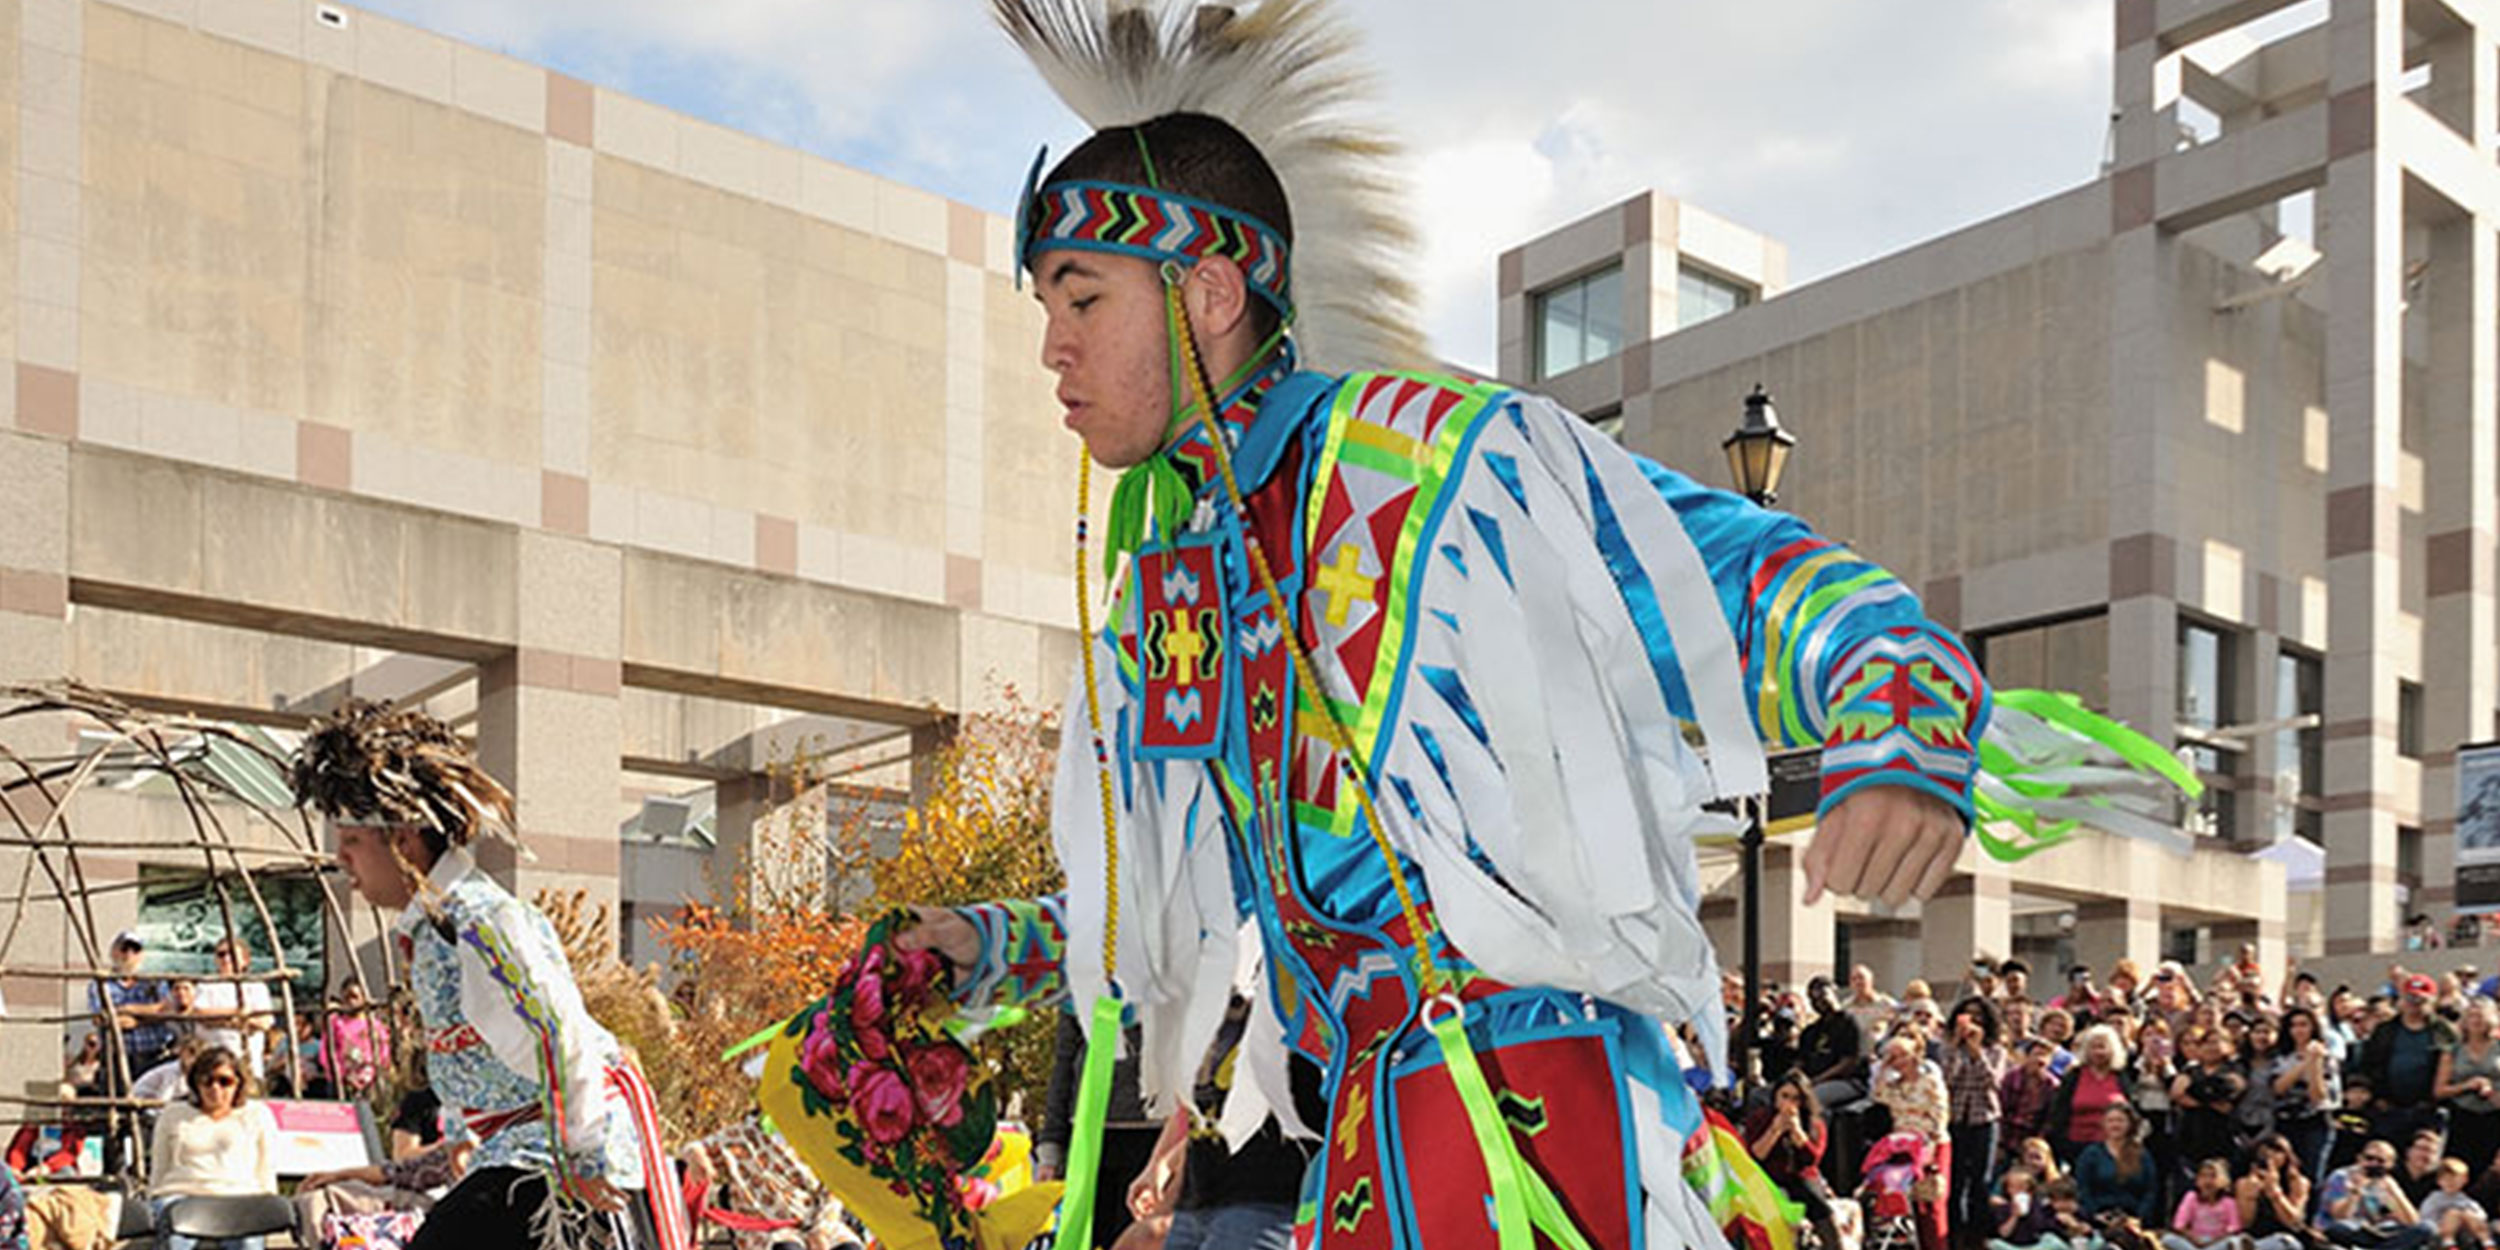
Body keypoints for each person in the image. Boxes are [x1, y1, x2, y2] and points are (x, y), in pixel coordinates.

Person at [895, 5, 2029, 1244]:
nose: (1053, 348)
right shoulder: (1181, 578)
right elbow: (1187, 909)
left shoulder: (1423, 466)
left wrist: (1896, 724)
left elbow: (1741, 569)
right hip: (1371, 1143)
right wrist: (984, 946)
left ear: (1208, 290)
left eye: (1084, 298)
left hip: (1539, 1129)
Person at [292, 702, 686, 1250]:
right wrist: (459, 1134)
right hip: (519, 1149)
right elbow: (474, 1051)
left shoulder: (481, 921)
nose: (340, 859)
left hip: (555, 1154)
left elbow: (557, 1032)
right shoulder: (436, 927)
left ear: (402, 839)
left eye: (352, 841)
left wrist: (586, 1153)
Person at [147, 1046, 276, 1250]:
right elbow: (159, 1167)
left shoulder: (257, 1115)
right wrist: (155, 1197)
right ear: (196, 1084)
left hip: (239, 1197)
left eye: (224, 1081)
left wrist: (268, 1205)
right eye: (207, 1081)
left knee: (249, 1241)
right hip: (181, 1195)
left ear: (238, 1084)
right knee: (173, 1238)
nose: (215, 1088)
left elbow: (266, 1167)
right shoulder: (173, 1114)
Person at [90, 930, 173, 1171]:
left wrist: (128, 1011)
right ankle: (114, 1172)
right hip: (117, 1056)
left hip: (151, 1056)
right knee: (114, 1115)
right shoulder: (101, 982)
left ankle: (146, 1165)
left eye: (134, 950)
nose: (128, 955)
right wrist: (146, 1014)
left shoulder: (154, 982)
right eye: (124, 949)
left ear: (141, 955)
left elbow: (165, 1010)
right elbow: (103, 1016)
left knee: (148, 1113)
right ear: (114, 952)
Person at [1745, 1072, 1843, 1250]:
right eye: (1785, 1096)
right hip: (1768, 1175)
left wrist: (1798, 1133)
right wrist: (1775, 1130)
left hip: (1800, 1175)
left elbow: (1813, 1159)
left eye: (1796, 1098)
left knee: (1814, 1199)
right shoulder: (1760, 1118)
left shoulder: (1814, 1123)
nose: (1789, 1103)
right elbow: (1756, 1155)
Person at [2359, 976, 2458, 1146]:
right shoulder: (2385, 1030)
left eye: (2421, 999)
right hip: (2389, 1107)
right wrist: (2377, 1096)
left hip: (2428, 1109)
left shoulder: (2444, 1031)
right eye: (2410, 998)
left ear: (2432, 1001)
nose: (2415, 1003)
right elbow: (2370, 1064)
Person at [1948, 997, 2012, 1245]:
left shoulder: (1997, 1051)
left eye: (1977, 1017)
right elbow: (1947, 1081)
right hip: (1955, 1119)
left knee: (1979, 1181)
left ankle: (1977, 1234)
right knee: (1955, 1181)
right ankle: (1954, 1234)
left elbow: (1993, 1083)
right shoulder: (1948, 1049)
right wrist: (1956, 1046)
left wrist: (1977, 1052)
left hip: (1983, 1119)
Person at [2273, 1006, 2345, 1191]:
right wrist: (2306, 1062)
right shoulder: (2280, 1057)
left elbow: (2318, 1095)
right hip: (2285, 1120)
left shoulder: (2327, 1058)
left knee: (2313, 1175)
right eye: (2293, 1025)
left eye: (2304, 1025)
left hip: (2316, 1122)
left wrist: (2315, 1064)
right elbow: (2278, 1088)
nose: (2298, 1030)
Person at [2048, 1026, 2136, 1166]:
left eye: (2102, 1047)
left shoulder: (2121, 1077)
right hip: (2076, 1144)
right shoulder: (2074, 1076)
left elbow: (2131, 1109)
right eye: (2093, 1047)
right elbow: (2060, 1110)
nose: (2098, 1052)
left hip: (2113, 1146)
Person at [2318, 1139, 2429, 1249]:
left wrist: (2396, 1193)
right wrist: (2355, 1193)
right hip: (2349, 1229)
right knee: (2340, 1228)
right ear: (2359, 1158)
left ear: (2390, 1164)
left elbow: (2411, 1221)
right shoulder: (2341, 1177)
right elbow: (2339, 1216)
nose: (2373, 1164)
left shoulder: (2386, 1184)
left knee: (2426, 1228)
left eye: (2380, 1161)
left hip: (2376, 1233)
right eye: (2369, 1158)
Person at [190, 940, 274, 1084]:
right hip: (212, 1064)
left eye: (232, 954)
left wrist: (220, 1020)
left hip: (247, 1063)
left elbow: (265, 1022)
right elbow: (200, 1014)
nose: (226, 959)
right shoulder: (206, 985)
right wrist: (237, 1014)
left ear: (245, 960)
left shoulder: (257, 986)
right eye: (221, 954)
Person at [2439, 1000, 2500, 1177]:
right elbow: (2439, 1090)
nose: (2476, 1021)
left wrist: (2491, 1092)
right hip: (2462, 1116)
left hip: (2494, 1116)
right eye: (2472, 1016)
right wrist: (2467, 1085)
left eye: (2481, 1016)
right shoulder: (2453, 1050)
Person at [2076, 1104, 2163, 1226]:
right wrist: (2095, 1214)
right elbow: (2083, 1188)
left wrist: (2139, 1217)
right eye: (2110, 1121)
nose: (2115, 1125)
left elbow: (2151, 1190)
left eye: (2120, 1121)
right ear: (2104, 1124)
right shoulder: (2091, 1154)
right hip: (2099, 1217)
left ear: (2129, 1124)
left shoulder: (2141, 1154)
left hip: (2133, 1218)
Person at [2235, 1134, 2312, 1250]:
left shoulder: (2298, 1182)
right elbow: (2246, 1223)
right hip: (2255, 1238)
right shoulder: (2245, 1182)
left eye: (2277, 1152)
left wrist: (2275, 1193)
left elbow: (2294, 1223)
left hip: (2287, 1238)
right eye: (2265, 1152)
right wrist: (2250, 1196)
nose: (2271, 1156)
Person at [323, 981, 390, 1102]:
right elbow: (325, 1051)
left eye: (354, 996)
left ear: (364, 998)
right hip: (341, 1082)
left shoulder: (375, 1025)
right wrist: (341, 1074)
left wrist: (371, 1073)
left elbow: (384, 1052)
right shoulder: (335, 1023)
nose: (351, 1001)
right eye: (346, 997)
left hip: (369, 1081)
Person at [2165, 1158, 2244, 1250]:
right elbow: (2179, 1225)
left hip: (2218, 1242)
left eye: (2212, 1176)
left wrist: (2212, 1242)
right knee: (2168, 1239)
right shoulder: (2191, 1197)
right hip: (2194, 1242)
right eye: (2203, 1176)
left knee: (2235, 1241)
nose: (2208, 1181)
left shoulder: (2228, 1202)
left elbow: (2234, 1229)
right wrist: (2196, 1240)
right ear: (2197, 1180)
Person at [2419, 1158, 2492, 1250]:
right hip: (2440, 1235)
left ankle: (2487, 1243)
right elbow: (2426, 1217)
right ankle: (2449, 1243)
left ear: (2464, 1180)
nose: (2450, 1182)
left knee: (2469, 1214)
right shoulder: (2434, 1198)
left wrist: (2466, 1216)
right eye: (2446, 1179)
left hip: (2465, 1234)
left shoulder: (2466, 1200)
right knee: (2452, 1213)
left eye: (2455, 1179)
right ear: (2439, 1181)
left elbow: (2481, 1216)